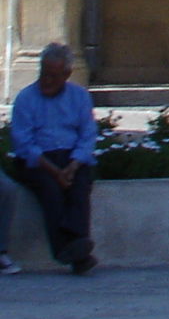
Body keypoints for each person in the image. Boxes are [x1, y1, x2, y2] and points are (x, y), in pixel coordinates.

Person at [7, 43, 100, 274]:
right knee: (50, 189)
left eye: (53, 76)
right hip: (38, 161)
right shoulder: (26, 98)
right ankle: (67, 250)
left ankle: (77, 252)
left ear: (66, 74)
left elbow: (88, 135)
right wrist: (55, 172)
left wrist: (73, 165)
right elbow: (23, 143)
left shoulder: (79, 97)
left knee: (80, 187)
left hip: (70, 158)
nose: (46, 80)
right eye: (43, 74)